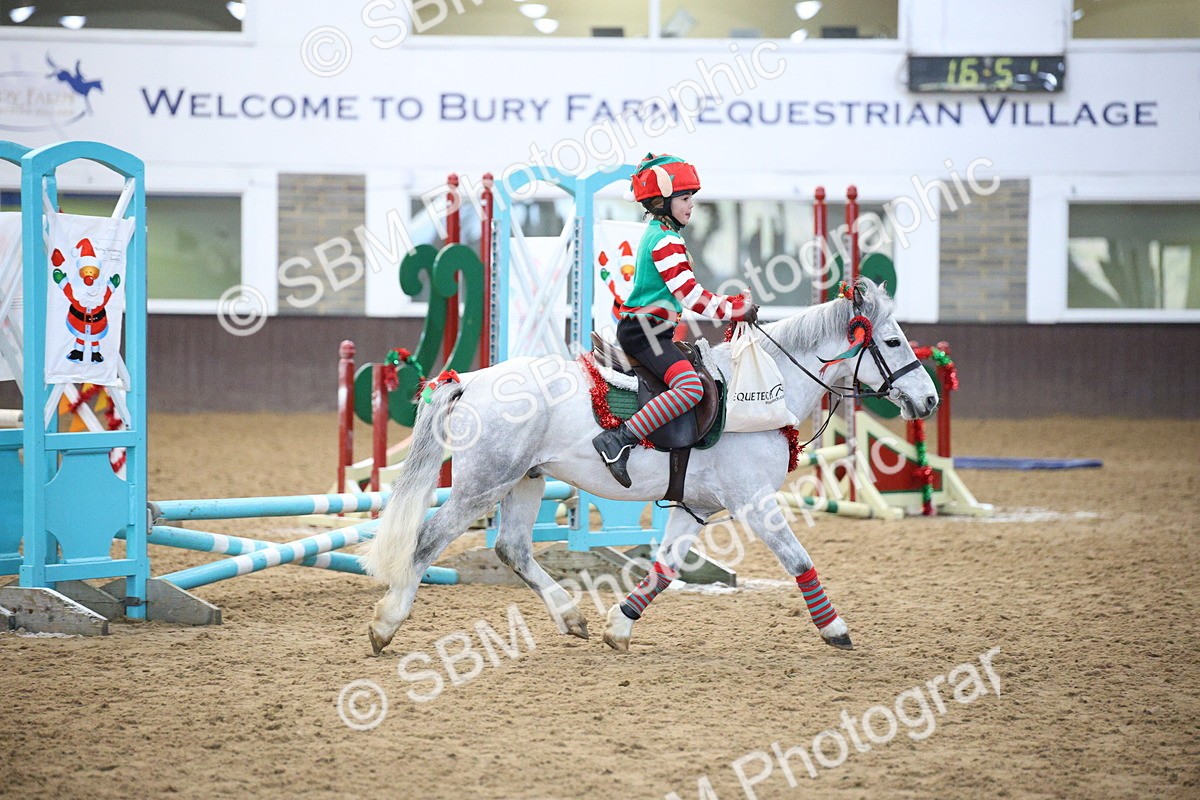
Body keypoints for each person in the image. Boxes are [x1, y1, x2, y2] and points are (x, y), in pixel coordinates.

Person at [592, 153, 759, 488]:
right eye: (684, 198)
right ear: (661, 202)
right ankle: (619, 439)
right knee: (691, 387)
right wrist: (735, 308)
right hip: (646, 333)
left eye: (691, 199)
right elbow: (690, 295)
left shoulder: (661, 231)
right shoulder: (665, 239)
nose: (691, 205)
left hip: (650, 329)